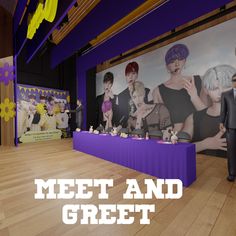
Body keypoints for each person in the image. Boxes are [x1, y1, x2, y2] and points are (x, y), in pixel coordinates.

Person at [181, 65, 236, 157]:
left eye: (226, 86)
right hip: (202, 169)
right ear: (206, 90)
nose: (221, 92)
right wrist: (205, 144)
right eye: (214, 88)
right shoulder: (193, 118)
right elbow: (179, 148)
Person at [152, 43, 207, 131]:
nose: (177, 64)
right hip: (175, 138)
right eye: (172, 60)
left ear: (185, 61)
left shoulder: (198, 80)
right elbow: (158, 122)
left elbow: (207, 115)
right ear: (167, 66)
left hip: (200, 134)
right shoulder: (158, 91)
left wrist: (194, 97)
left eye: (180, 59)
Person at [117, 61, 150, 128]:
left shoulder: (146, 91)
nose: (130, 77)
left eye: (133, 73)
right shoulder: (121, 95)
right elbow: (122, 116)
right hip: (127, 128)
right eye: (128, 74)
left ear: (137, 75)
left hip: (145, 126)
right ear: (125, 76)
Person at [219, 73, 236, 182]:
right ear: (232, 81)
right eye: (234, 80)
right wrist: (221, 122)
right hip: (231, 126)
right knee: (231, 151)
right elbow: (223, 110)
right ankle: (232, 173)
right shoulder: (226, 94)